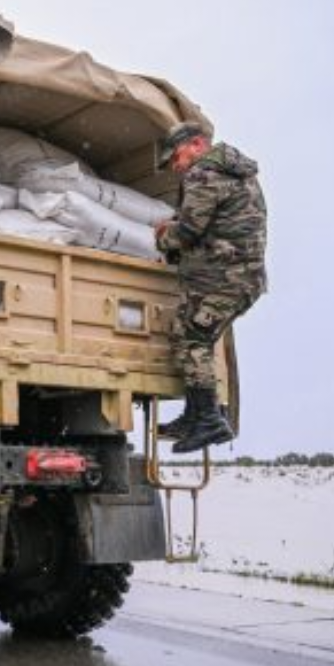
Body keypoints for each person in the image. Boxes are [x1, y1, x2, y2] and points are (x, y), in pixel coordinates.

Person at [154, 122, 267, 454]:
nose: (176, 166)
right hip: (233, 278)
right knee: (184, 332)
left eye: (176, 157)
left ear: (197, 145)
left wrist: (163, 235)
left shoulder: (203, 174)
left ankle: (209, 420)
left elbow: (188, 231)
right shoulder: (235, 173)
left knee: (194, 339)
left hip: (227, 280)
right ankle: (195, 416)